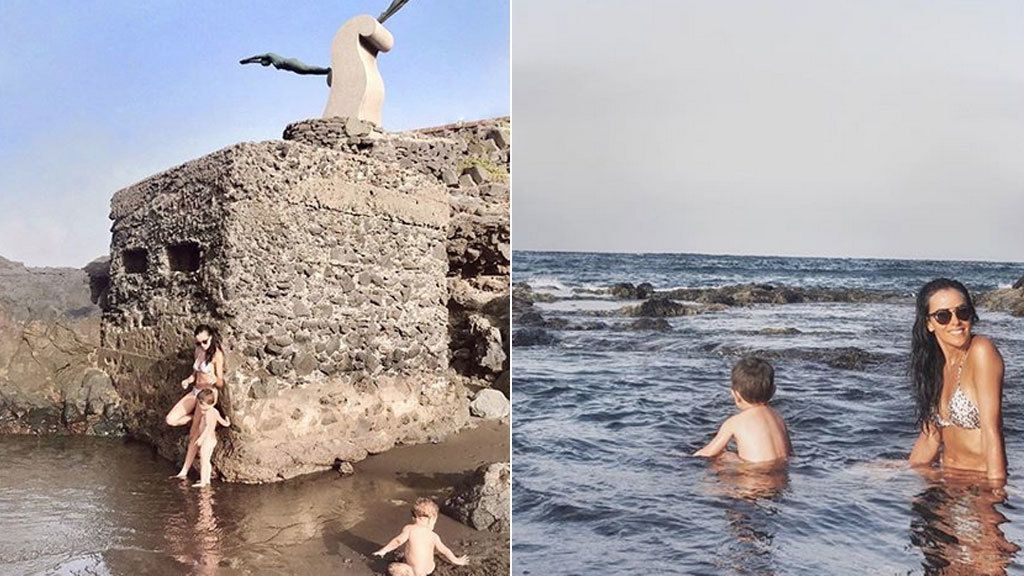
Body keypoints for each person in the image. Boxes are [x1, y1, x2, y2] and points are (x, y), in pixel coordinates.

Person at [908, 278, 1007, 482]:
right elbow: (930, 437)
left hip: (977, 484)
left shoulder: (981, 351)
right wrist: (904, 473)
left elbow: (992, 431)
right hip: (944, 479)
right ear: (929, 324)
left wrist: (995, 491)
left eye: (962, 312)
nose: (955, 321)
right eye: (943, 316)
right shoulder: (935, 366)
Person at [693, 357, 792, 463]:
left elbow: (708, 453)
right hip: (783, 474)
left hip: (755, 475)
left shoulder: (734, 422)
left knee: (721, 456)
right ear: (773, 391)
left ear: (735, 395)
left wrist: (683, 458)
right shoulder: (778, 417)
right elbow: (790, 454)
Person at [372, 498, 469, 576]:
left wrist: (383, 550)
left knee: (392, 568)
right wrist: (457, 560)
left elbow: (398, 541)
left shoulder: (410, 529)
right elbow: (445, 550)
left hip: (414, 571)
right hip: (429, 569)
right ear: (430, 520)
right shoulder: (434, 536)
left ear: (414, 518)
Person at [165, 324, 225, 428]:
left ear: (211, 337)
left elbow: (221, 383)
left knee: (196, 430)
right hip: (195, 391)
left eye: (205, 341)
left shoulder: (217, 355)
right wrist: (187, 381)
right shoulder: (198, 351)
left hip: (208, 394)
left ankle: (205, 420)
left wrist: (215, 379)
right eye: (198, 342)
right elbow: (194, 374)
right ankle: (202, 418)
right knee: (170, 419)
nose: (202, 345)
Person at [172, 389, 230, 487]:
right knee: (206, 460)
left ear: (210, 403)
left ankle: (203, 481)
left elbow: (207, 427)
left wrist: (201, 439)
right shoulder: (214, 411)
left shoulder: (208, 413)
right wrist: (227, 421)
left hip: (207, 440)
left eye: (202, 404)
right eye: (199, 403)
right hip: (211, 440)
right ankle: (207, 480)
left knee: (204, 460)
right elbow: (223, 422)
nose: (200, 407)